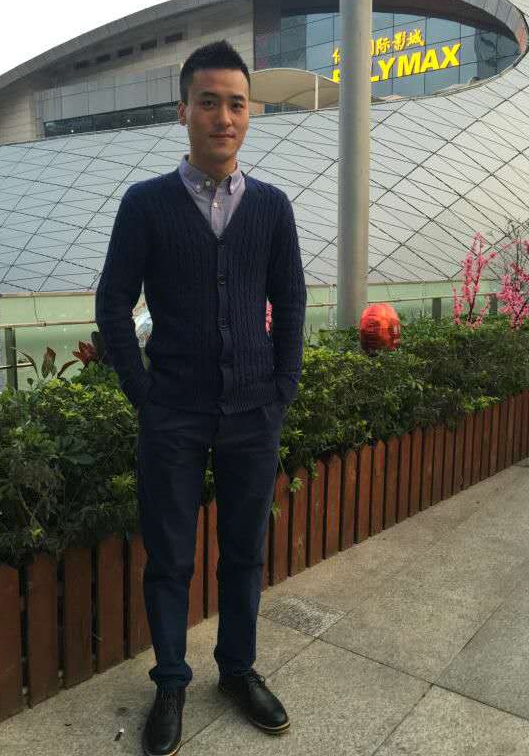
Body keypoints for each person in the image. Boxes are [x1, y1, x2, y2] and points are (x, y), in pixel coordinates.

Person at [95, 39, 307, 756]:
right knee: (170, 559)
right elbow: (113, 304)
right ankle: (171, 682)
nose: (224, 116)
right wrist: (143, 393)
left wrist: (282, 387)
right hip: (173, 416)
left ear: (251, 114)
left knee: (244, 553)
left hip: (254, 412)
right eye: (209, 102)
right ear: (183, 110)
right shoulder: (146, 205)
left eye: (236, 104)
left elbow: (291, 301)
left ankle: (237, 671)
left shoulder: (271, 208)